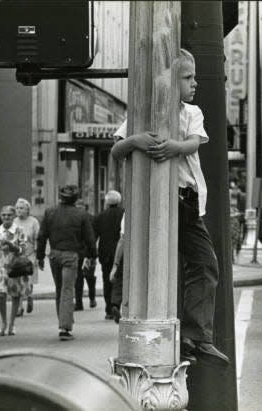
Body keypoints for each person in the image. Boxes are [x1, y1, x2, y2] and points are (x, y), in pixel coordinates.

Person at [111, 48, 228, 366]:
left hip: (187, 204)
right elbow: (117, 149)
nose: (195, 83)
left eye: (193, 77)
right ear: (169, 82)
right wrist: (136, 141)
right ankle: (160, 333)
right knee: (155, 272)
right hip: (157, 203)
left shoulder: (192, 113)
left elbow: (192, 143)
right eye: (187, 77)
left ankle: (196, 336)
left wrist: (174, 147)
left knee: (205, 265)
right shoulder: (140, 114)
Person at [36, 185, 97, 341]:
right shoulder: (81, 214)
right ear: (75, 199)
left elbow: (42, 236)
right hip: (71, 254)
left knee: (59, 289)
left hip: (54, 254)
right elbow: (89, 239)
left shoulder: (50, 212)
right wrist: (92, 256)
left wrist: (40, 256)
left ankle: (62, 321)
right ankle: (65, 326)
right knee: (67, 290)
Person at [0, 205, 28, 336]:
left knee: (15, 295)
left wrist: (14, 247)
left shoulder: (19, 230)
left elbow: (24, 249)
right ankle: (3, 322)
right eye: (4, 215)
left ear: (13, 217)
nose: (6, 217)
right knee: (1, 293)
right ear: (0, 216)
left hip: (15, 267)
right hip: (1, 266)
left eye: (9, 215)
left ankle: (12, 324)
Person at [92, 190, 124, 320]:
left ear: (106, 202)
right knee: (120, 279)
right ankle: (117, 303)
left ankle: (109, 309)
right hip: (120, 251)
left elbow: (94, 236)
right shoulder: (124, 213)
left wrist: (91, 254)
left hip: (105, 253)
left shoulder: (100, 216)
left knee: (107, 280)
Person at [13, 197, 40, 316]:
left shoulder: (33, 222)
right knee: (18, 280)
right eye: (17, 208)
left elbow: (38, 238)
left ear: (27, 209)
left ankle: (29, 296)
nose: (19, 210)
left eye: (22, 208)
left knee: (28, 280)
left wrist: (38, 254)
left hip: (30, 254)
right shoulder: (14, 222)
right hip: (17, 254)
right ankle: (19, 307)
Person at [73, 198, 97, 311]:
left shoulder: (91, 219)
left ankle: (89, 299)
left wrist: (92, 254)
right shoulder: (75, 219)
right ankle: (80, 301)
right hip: (82, 252)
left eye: (80, 207)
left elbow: (94, 236)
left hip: (85, 251)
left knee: (87, 277)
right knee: (81, 277)